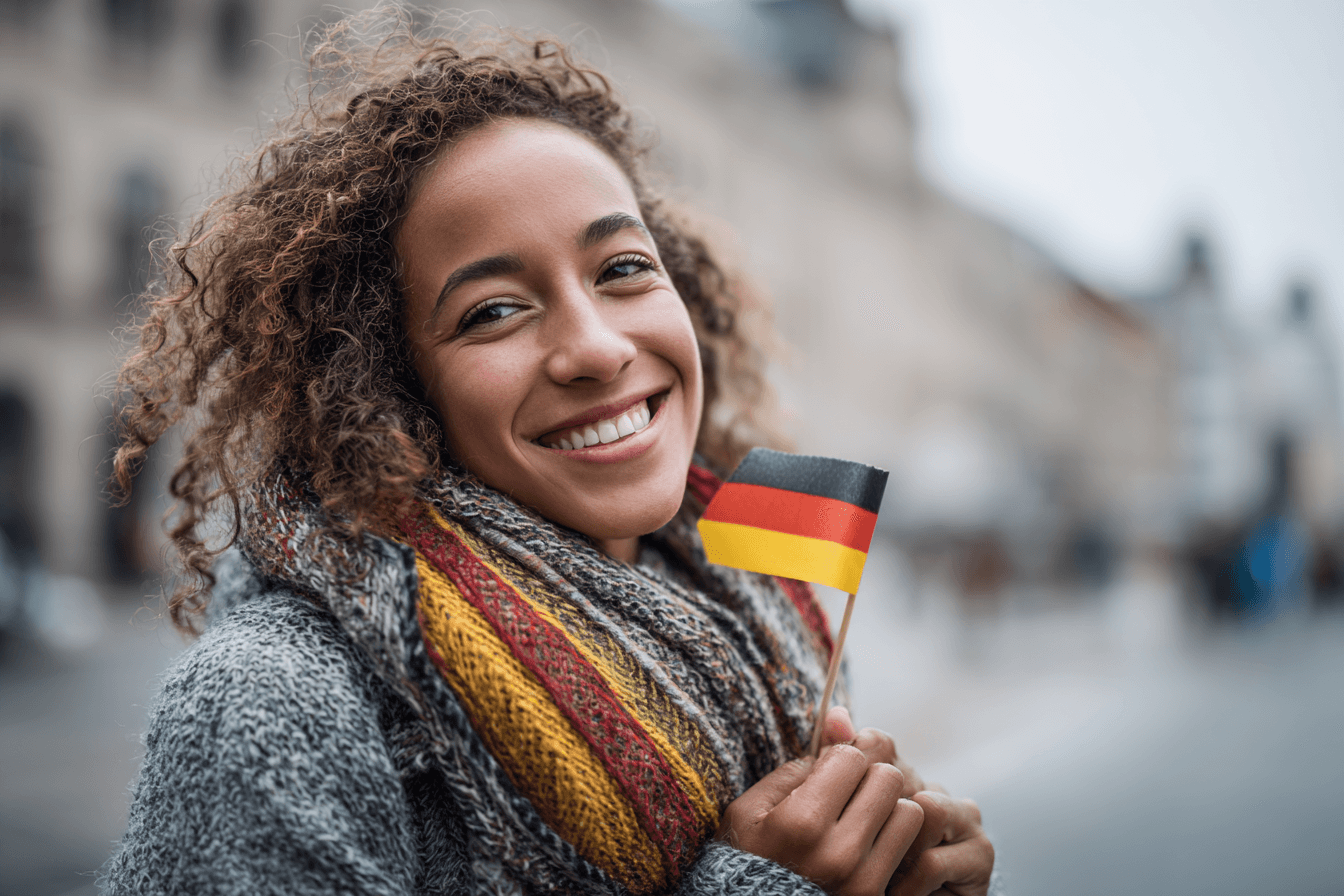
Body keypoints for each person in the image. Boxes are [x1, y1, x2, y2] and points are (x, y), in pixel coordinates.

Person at [102, 10, 996, 896]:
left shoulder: (768, 617)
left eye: (622, 269)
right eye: (493, 310)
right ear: (387, 384)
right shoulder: (270, 702)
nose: (600, 348)